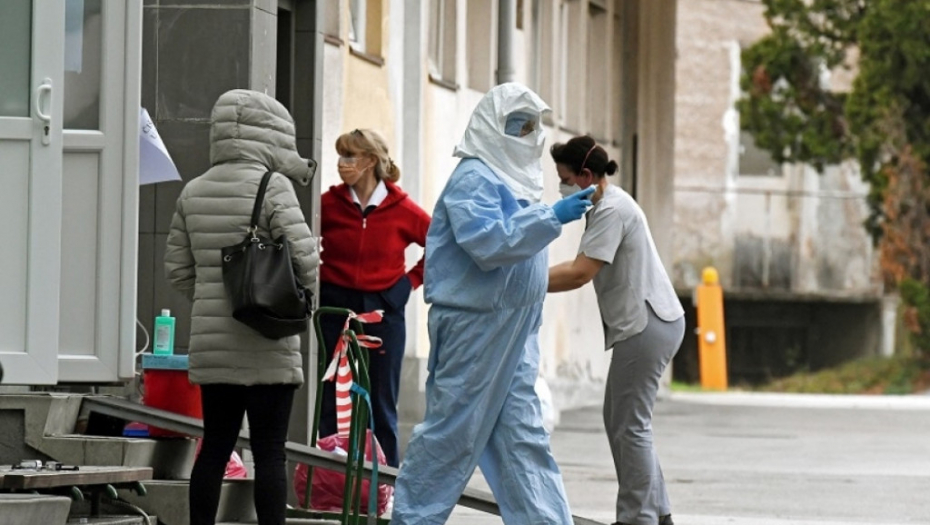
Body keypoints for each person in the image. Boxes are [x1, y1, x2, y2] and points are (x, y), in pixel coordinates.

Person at [391, 82, 595, 525]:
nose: (525, 135)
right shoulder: (474, 179)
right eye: (516, 125)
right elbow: (488, 243)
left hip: (516, 324)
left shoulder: (515, 177)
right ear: (490, 126)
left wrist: (549, 215)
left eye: (530, 126)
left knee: (522, 434)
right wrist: (551, 217)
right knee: (452, 432)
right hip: (475, 325)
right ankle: (413, 520)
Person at [164, 89, 319, 525]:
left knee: (214, 447)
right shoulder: (274, 186)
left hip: (214, 349)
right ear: (270, 134)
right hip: (270, 341)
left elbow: (178, 270)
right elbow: (305, 260)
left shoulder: (194, 191)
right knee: (270, 452)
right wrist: (293, 300)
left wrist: (217, 299)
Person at [547, 136, 685, 525]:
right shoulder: (609, 203)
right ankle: (657, 513)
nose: (562, 187)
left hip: (646, 324)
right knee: (623, 421)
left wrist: (524, 279)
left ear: (585, 175)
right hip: (650, 323)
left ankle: (637, 518)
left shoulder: (611, 210)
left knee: (630, 425)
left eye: (565, 179)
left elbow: (580, 272)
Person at [317, 128, 430, 467]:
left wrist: (409, 282)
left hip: (384, 310)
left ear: (369, 161)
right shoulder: (327, 204)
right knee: (329, 397)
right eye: (340, 156)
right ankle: (329, 479)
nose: (341, 163)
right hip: (335, 307)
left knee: (381, 401)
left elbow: (441, 246)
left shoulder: (403, 209)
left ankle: (385, 483)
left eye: (348, 156)